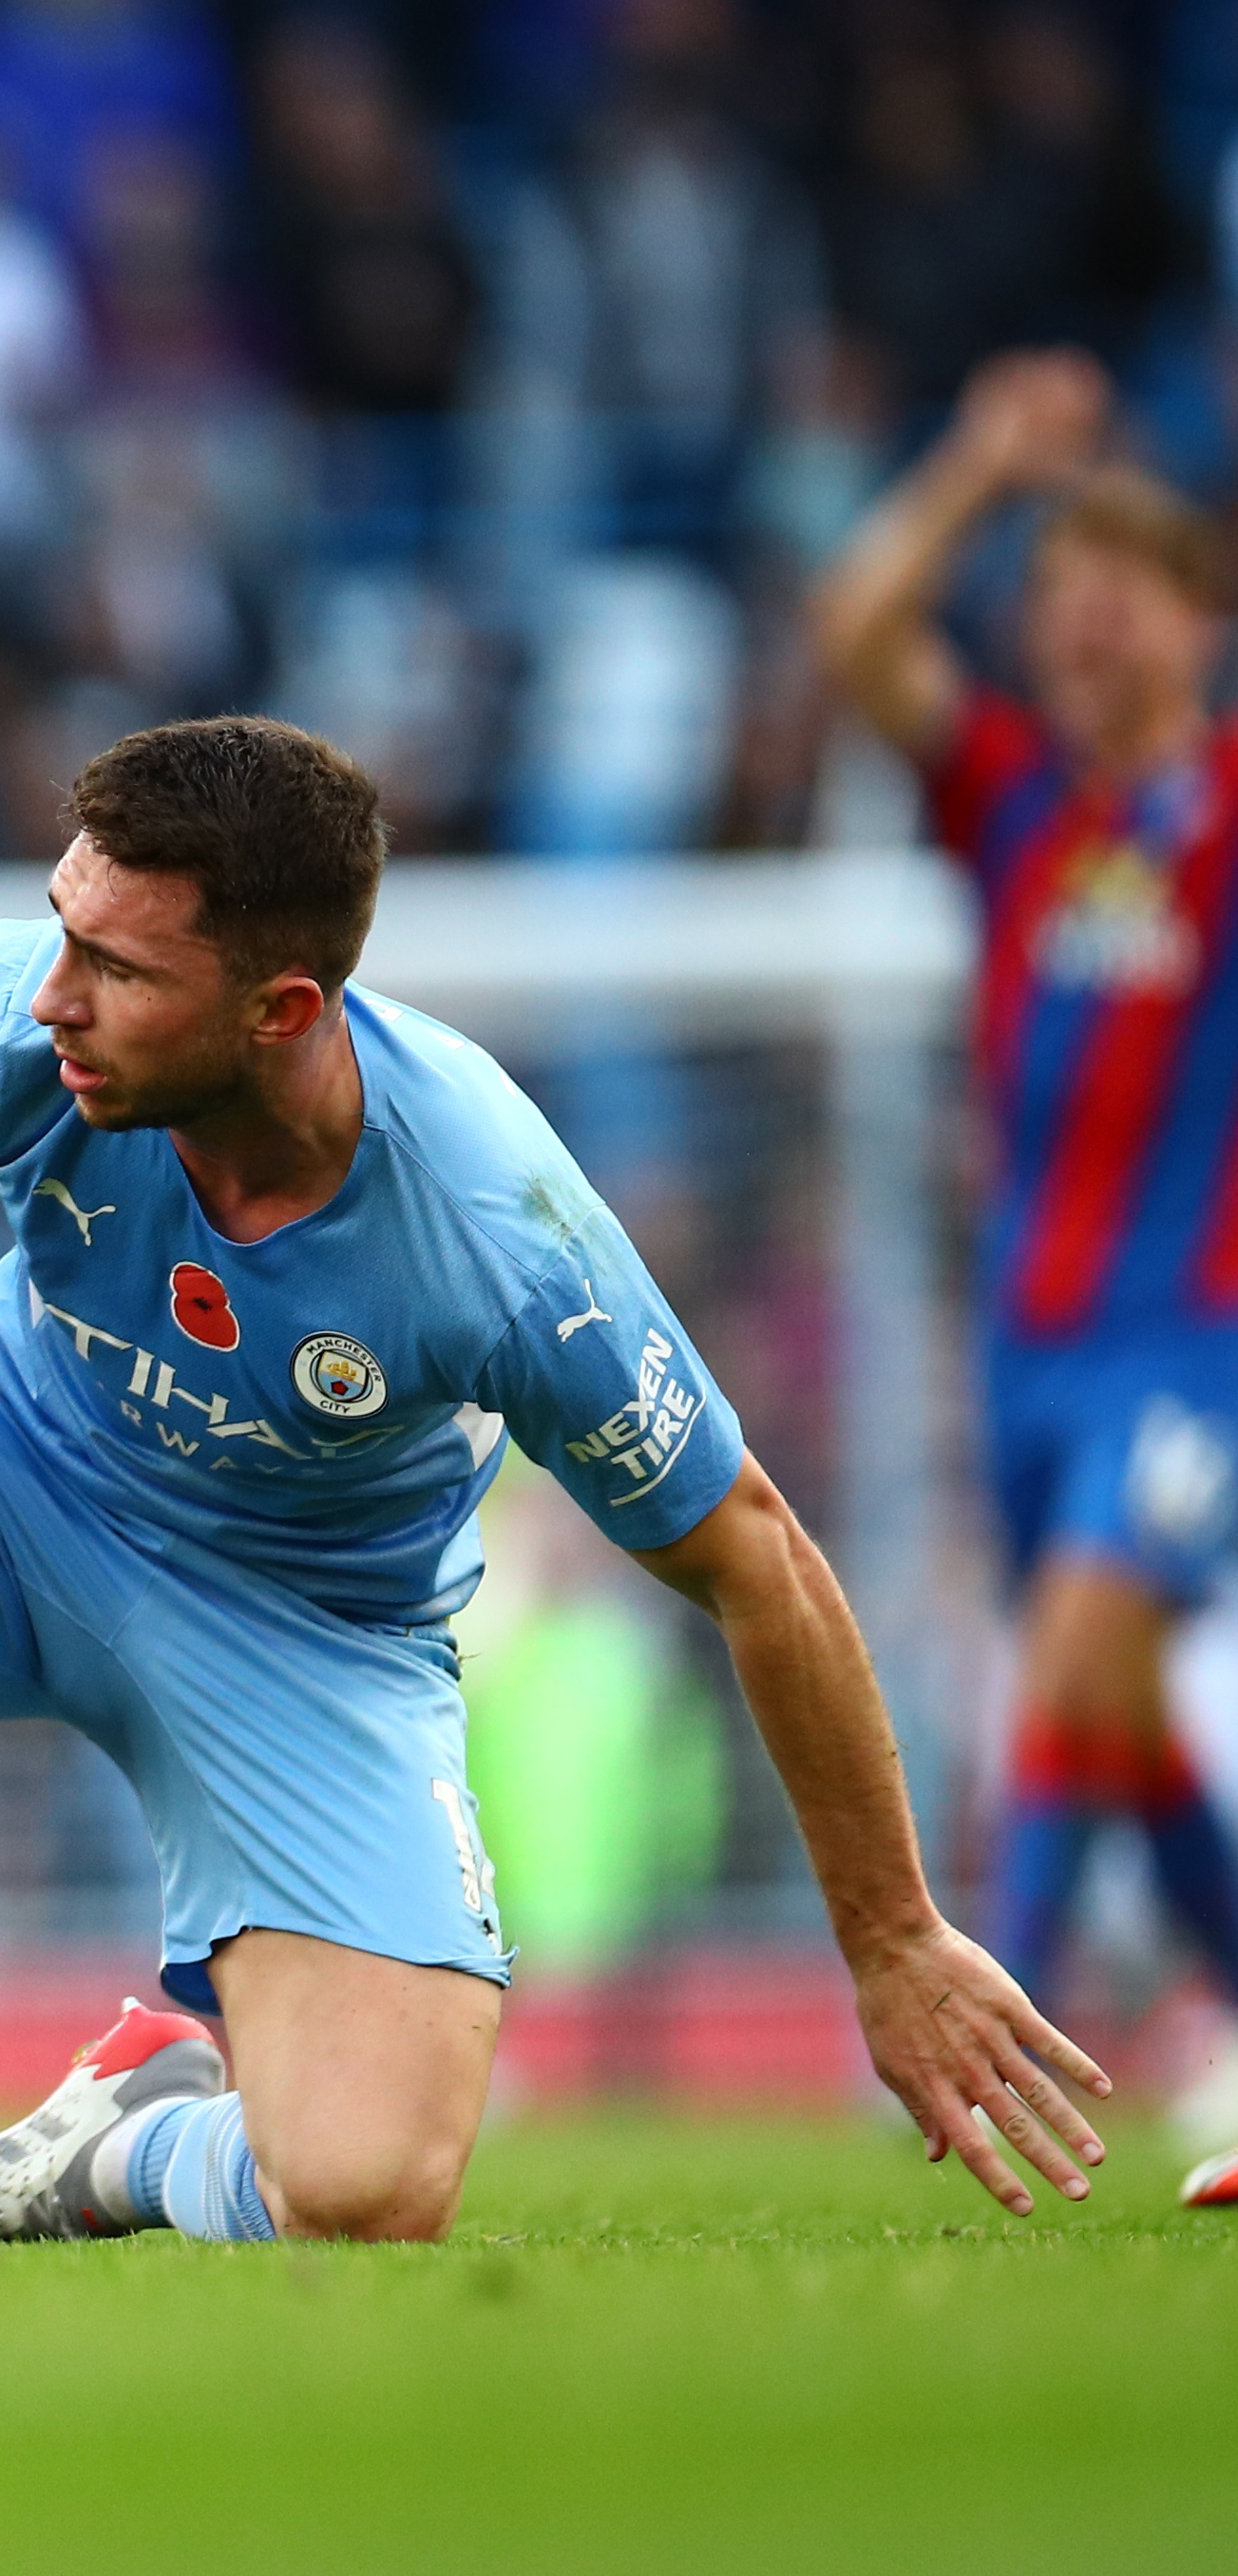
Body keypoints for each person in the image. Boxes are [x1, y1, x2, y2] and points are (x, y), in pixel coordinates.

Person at [0, 712, 1106, 2246]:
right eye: (63, 932)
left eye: (117, 968)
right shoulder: (22, 1015)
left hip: (311, 1632)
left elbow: (753, 1555)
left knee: (367, 2195)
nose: (56, 994)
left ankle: (124, 2143)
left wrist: (892, 1935)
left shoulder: (500, 1233)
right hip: (14, 1484)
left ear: (281, 1010)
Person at [809, 347, 1238, 2210]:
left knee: (1077, 1638)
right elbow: (855, 627)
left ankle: (995, 2049)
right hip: (1030, 1345)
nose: (1081, 622)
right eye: (1058, 592)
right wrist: (983, 466)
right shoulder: (1013, 803)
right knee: (1111, 1711)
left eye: (1121, 588)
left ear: (1203, 620)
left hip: (1204, 1337)